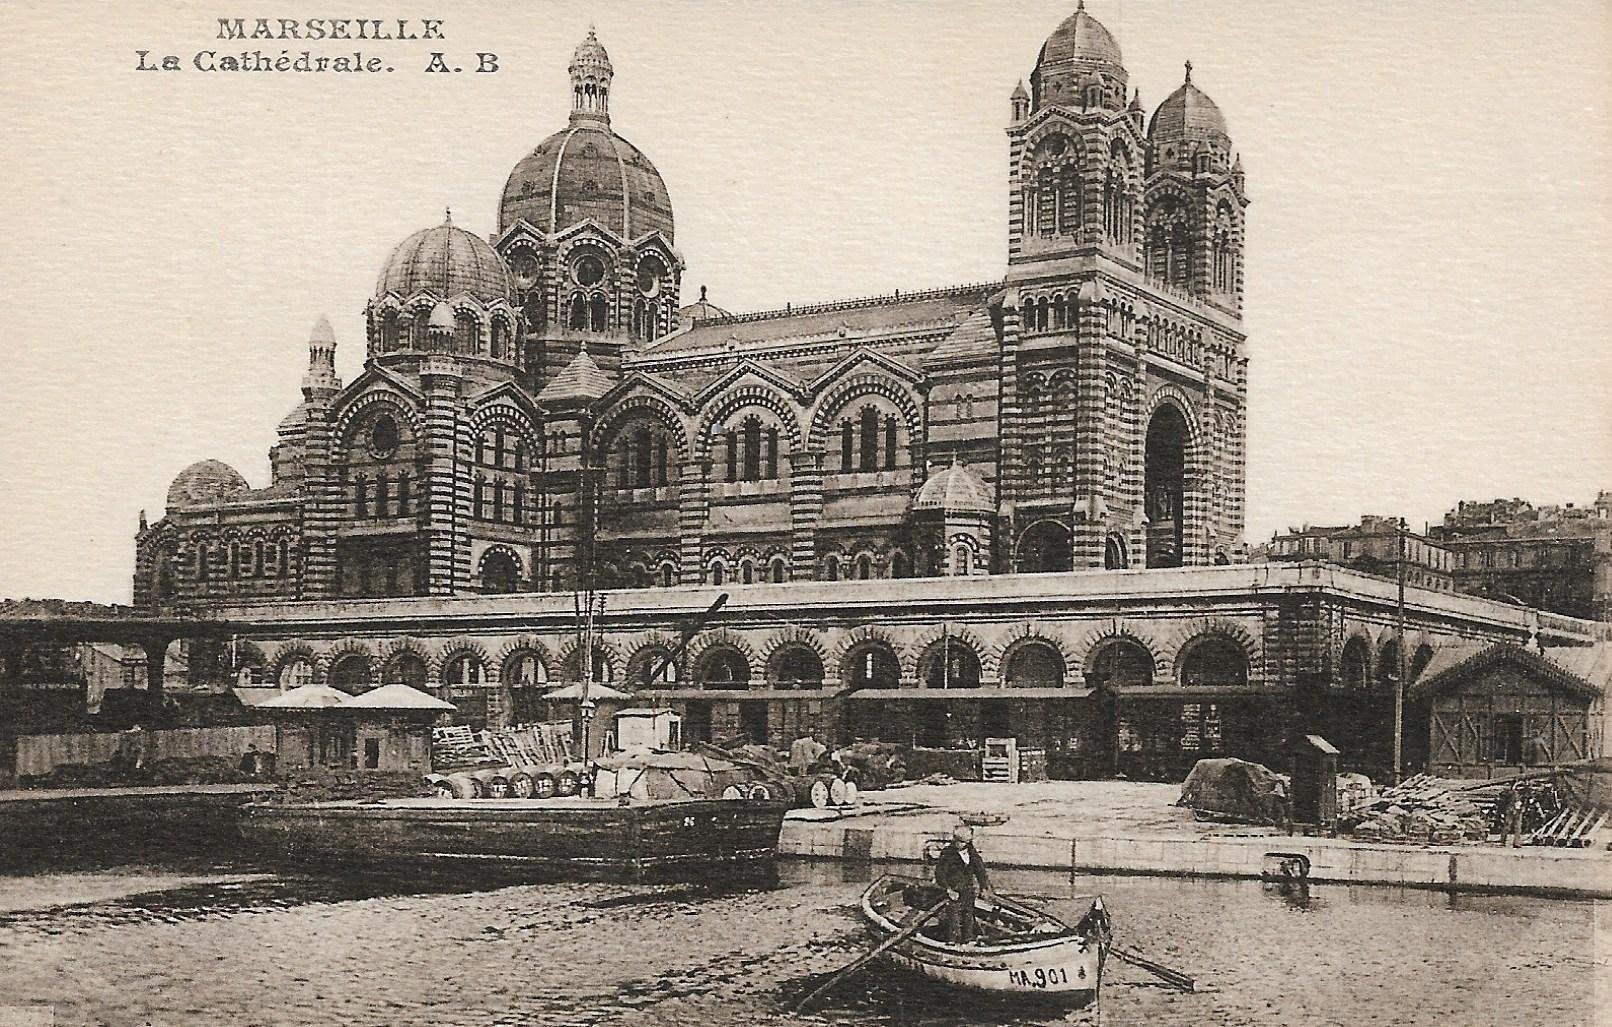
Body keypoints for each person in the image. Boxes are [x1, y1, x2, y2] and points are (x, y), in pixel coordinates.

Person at [933, 823, 993, 944]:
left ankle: (968, 941)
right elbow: (940, 874)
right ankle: (953, 942)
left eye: (963, 842)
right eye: (958, 841)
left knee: (968, 917)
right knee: (954, 920)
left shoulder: (972, 853)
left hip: (968, 891)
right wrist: (948, 890)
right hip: (954, 892)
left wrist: (984, 887)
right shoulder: (948, 853)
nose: (960, 845)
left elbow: (980, 871)